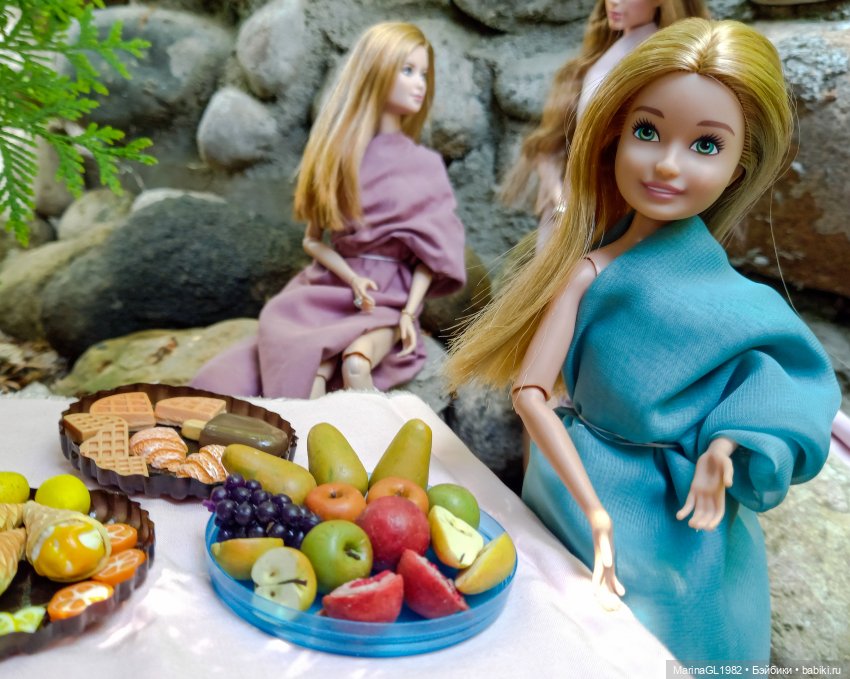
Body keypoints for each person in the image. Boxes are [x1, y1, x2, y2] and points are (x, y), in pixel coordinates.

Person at [444, 18, 841, 663]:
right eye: (647, 133)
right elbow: (530, 394)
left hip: (684, 503)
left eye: (706, 145)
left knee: (707, 619)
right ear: (613, 138)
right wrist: (594, 510)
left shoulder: (736, 296)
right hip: (589, 483)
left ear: (739, 165)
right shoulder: (588, 273)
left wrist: (726, 443)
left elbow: (781, 383)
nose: (667, 164)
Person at [192, 22, 466, 399]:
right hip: (331, 287)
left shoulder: (426, 165)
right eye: (407, 71)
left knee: (354, 364)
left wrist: (408, 312)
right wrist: (351, 278)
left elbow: (431, 257)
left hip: (389, 295)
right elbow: (313, 240)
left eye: (423, 73)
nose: (419, 83)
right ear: (376, 72)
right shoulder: (339, 158)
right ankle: (305, 428)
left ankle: (365, 431)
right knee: (301, 362)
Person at [501, 0, 709, 252]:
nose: (614, 2)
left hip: (604, 197)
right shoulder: (612, 49)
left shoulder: (653, 56)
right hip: (576, 193)